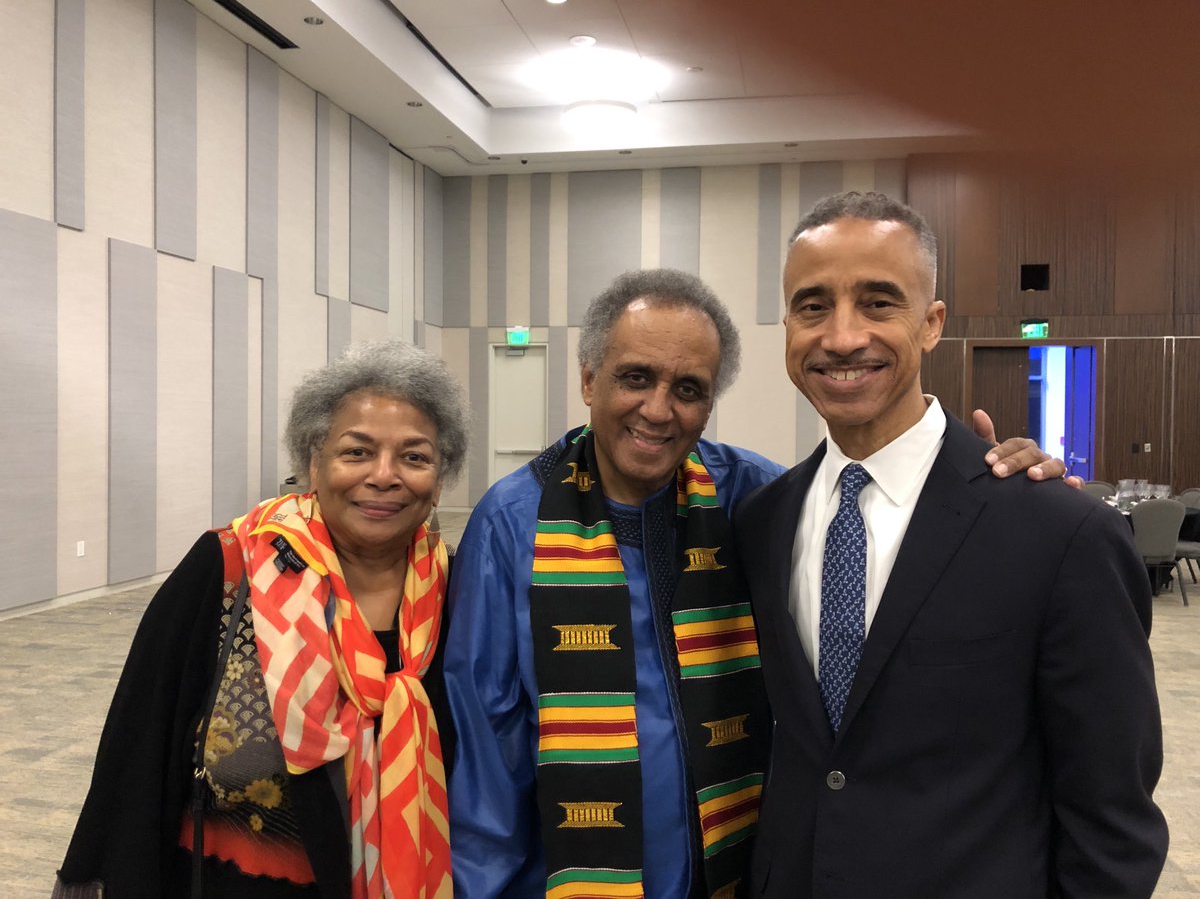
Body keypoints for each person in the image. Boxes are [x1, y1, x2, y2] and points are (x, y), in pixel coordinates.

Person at [443, 268, 1068, 898]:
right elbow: (485, 745)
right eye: (636, 377)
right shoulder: (513, 522)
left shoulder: (756, 496)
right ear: (587, 378)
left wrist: (987, 485)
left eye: (689, 388)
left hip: (743, 869)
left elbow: (895, 540)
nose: (659, 410)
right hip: (568, 875)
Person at [733, 192, 1168, 897]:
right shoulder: (762, 521)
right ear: (787, 326)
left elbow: (1112, 820)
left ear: (932, 323)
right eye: (813, 306)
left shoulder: (1061, 534)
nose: (842, 337)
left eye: (879, 303)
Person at [55, 340, 469, 899]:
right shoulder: (229, 567)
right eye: (357, 452)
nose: (384, 476)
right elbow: (139, 740)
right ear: (313, 464)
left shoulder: (459, 589)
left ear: (440, 479)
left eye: (415, 457)